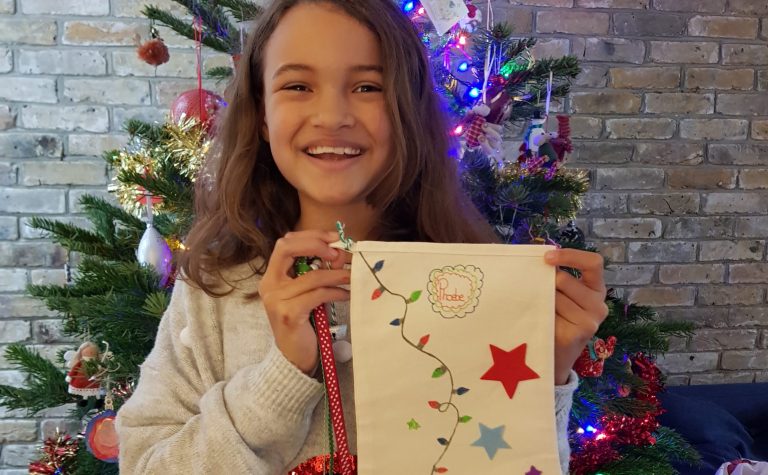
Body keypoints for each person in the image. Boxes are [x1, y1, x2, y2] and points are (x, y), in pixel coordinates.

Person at [115, 0, 609, 473]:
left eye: (368, 87)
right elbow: (146, 465)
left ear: (406, 111)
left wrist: (543, 373)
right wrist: (280, 378)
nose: (332, 116)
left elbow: (512, 465)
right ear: (262, 115)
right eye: (297, 87)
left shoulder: (470, 283)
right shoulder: (214, 291)